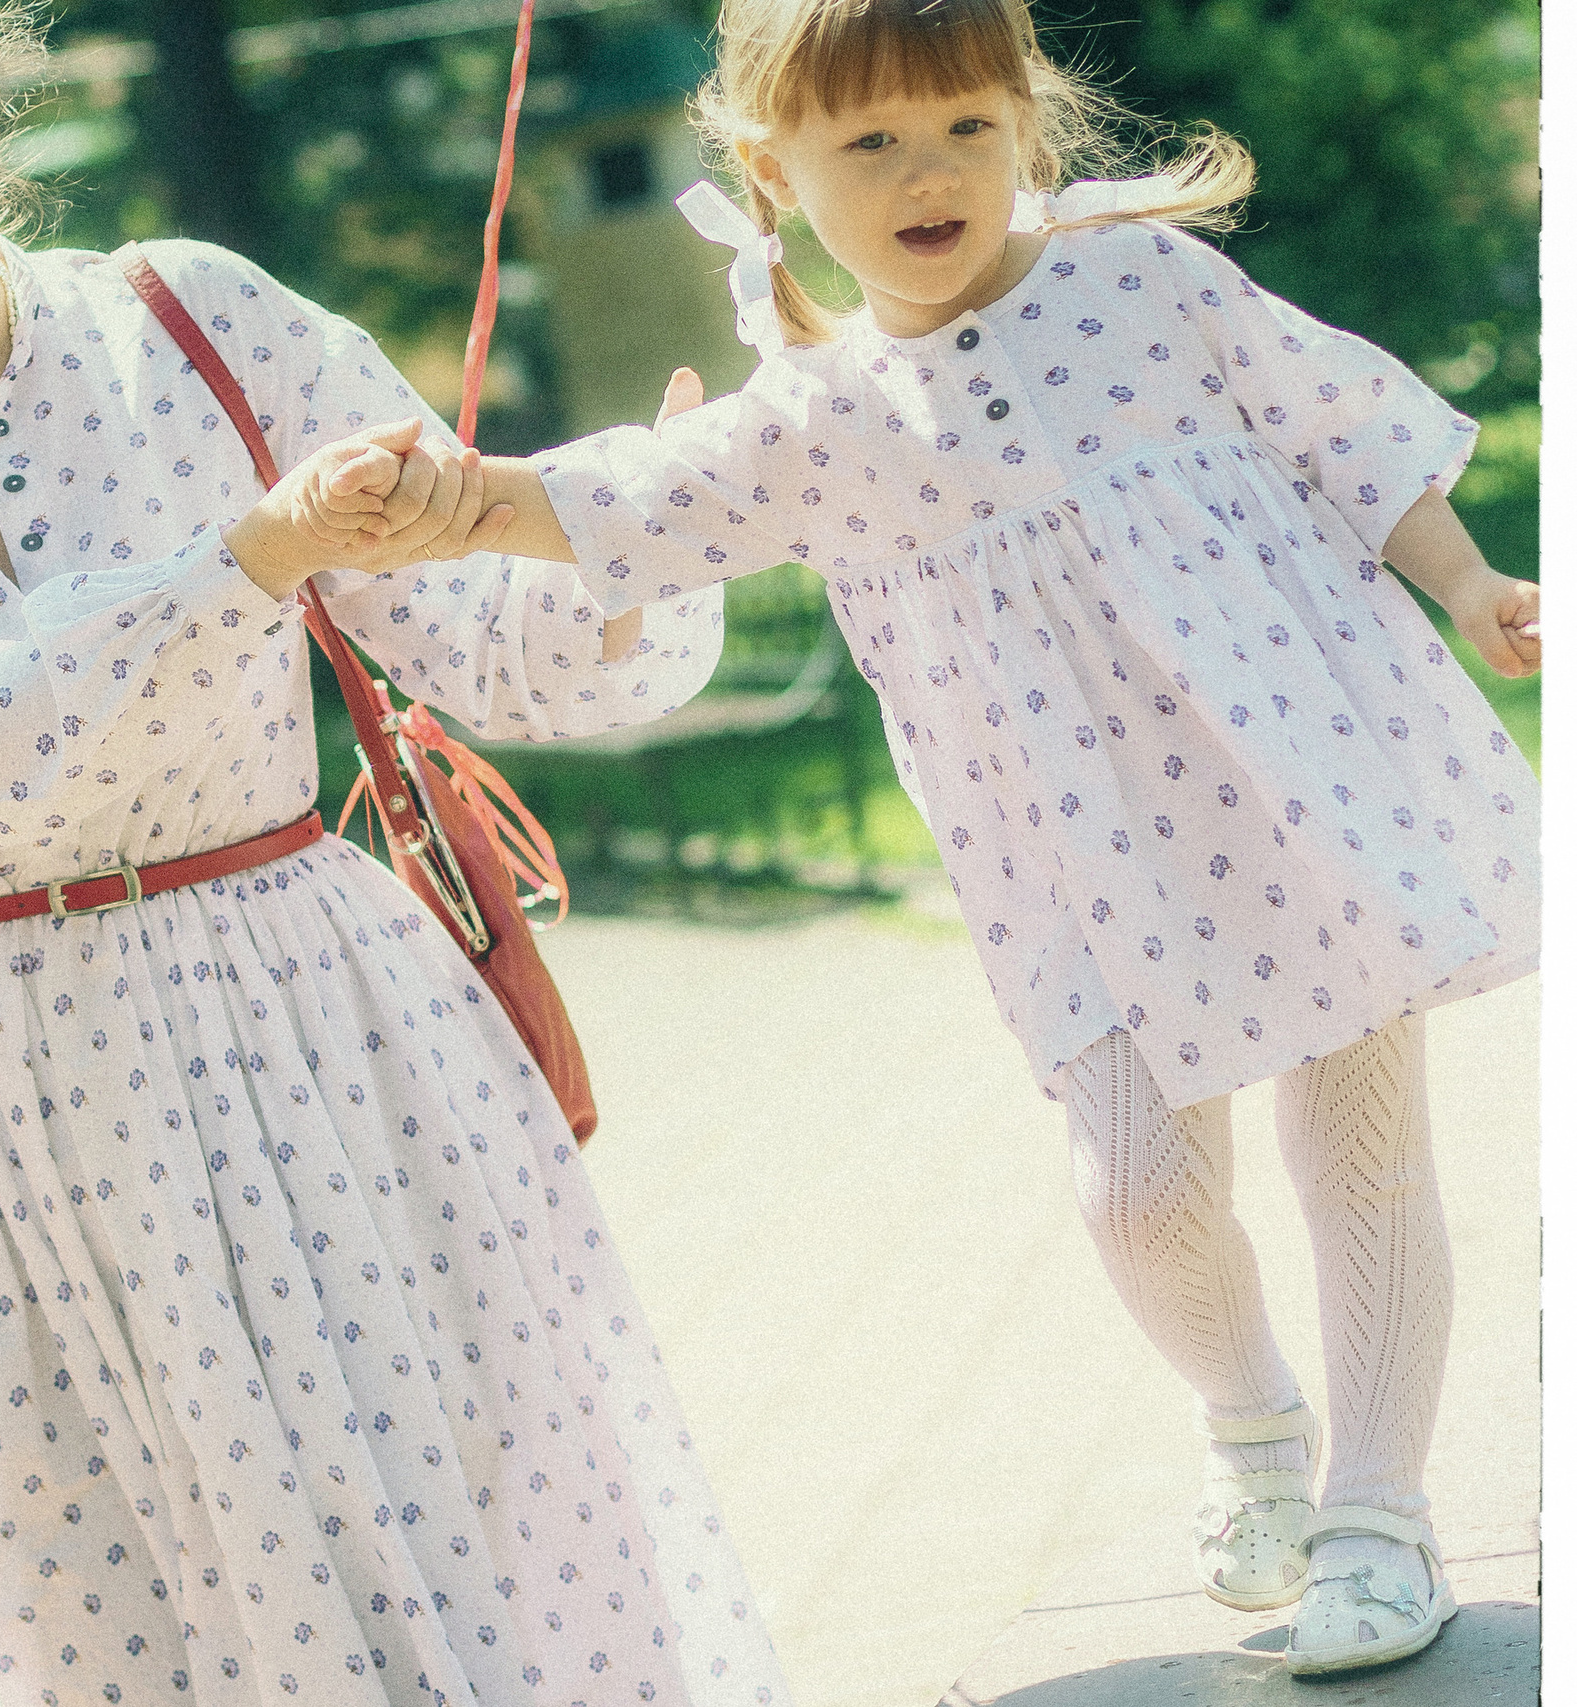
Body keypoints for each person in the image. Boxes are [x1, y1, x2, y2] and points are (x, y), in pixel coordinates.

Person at [338, 0, 1541, 1677]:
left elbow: (1341, 427)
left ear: (1025, 125)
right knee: (1139, 1191)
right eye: (873, 141)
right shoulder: (821, 420)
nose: (931, 171)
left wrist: (1470, 578)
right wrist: (450, 499)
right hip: (1072, 869)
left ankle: (1382, 1507)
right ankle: (1253, 1419)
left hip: (1297, 782)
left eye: (967, 126)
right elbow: (626, 496)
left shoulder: (1143, 284)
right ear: (774, 172)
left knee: (1361, 1157)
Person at [0, 1, 796, 1701]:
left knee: (468, 1535)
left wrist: (643, 529)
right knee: (111, 1588)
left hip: (320, 1020)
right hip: (10, 1088)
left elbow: (479, 642)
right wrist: (237, 563)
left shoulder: (199, 318)